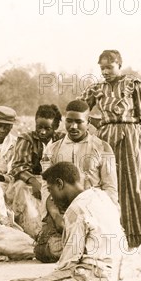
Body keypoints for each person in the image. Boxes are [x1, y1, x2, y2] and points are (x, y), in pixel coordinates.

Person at [2, 162, 125, 281]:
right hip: (112, 275)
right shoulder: (102, 196)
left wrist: (53, 212)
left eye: (50, 190)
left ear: (60, 184)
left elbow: (68, 264)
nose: (51, 196)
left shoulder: (76, 209)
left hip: (89, 277)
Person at [79, 49, 141, 248]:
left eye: (109, 67)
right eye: (102, 68)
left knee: (134, 183)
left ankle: (138, 233)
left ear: (119, 65)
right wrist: (97, 123)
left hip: (131, 138)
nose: (105, 71)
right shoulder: (97, 88)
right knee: (108, 181)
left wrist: (140, 141)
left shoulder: (133, 85)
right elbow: (80, 109)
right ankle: (111, 231)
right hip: (105, 140)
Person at [35, 100, 118, 263]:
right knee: (46, 251)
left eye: (79, 122)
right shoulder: (52, 150)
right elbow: (46, 187)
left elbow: (110, 187)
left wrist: (108, 215)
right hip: (61, 211)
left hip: (92, 210)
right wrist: (56, 216)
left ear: (88, 122)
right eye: (69, 121)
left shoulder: (103, 148)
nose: (73, 127)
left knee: (95, 246)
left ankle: (85, 245)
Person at [6, 104, 64, 237]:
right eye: (39, 127)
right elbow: (18, 166)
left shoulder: (61, 140)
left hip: (54, 181)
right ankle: (33, 231)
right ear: (35, 124)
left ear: (55, 127)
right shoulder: (27, 139)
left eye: (47, 128)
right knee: (22, 190)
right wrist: (33, 181)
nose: (42, 132)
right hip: (29, 180)